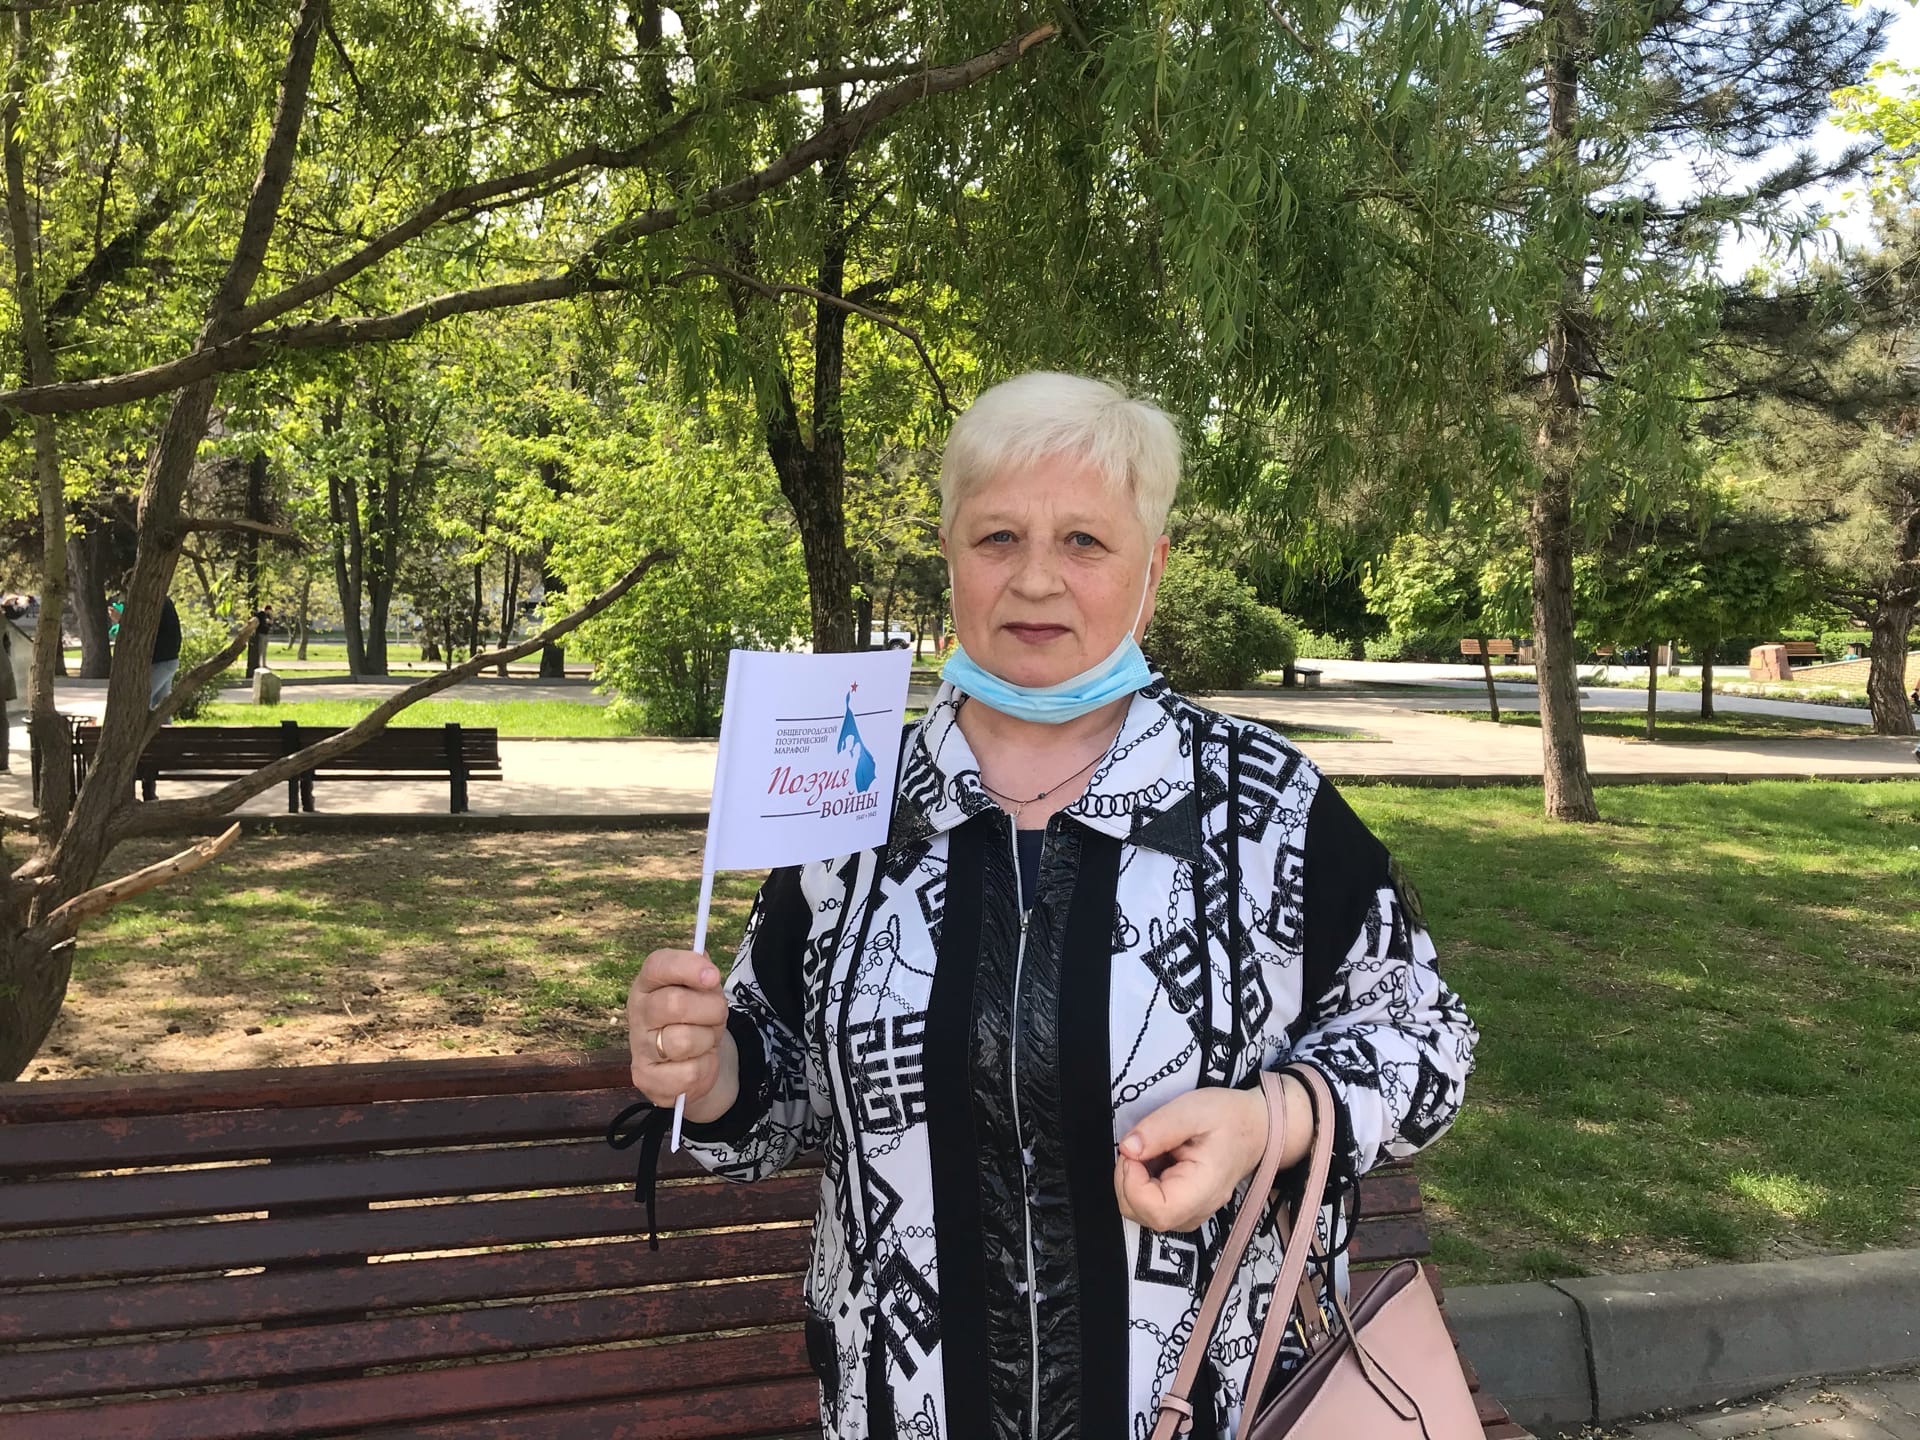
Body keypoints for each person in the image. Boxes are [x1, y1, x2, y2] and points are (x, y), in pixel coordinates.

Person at [624, 373, 1478, 1439]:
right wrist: (708, 1071)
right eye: (997, 538)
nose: (1035, 579)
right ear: (949, 555)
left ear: (1151, 570)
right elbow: (777, 1088)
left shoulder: (1266, 807)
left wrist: (1273, 1118)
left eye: (1084, 541)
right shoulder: (856, 807)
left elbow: (1425, 1042)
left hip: (1216, 1414)